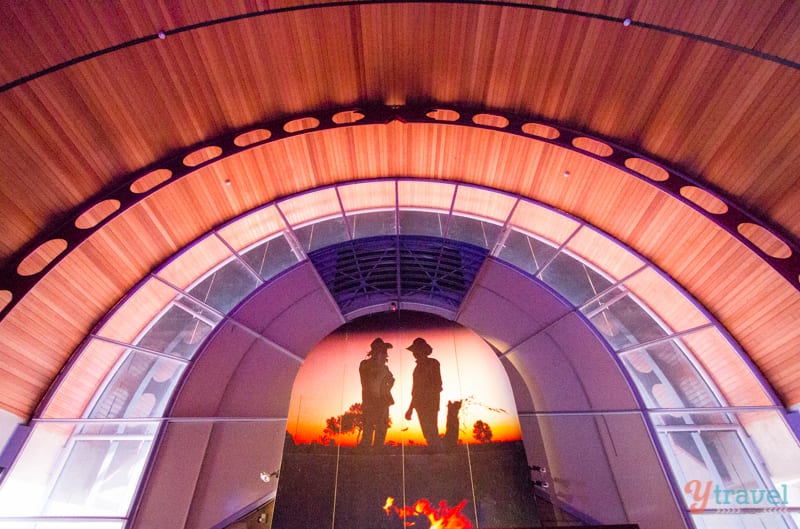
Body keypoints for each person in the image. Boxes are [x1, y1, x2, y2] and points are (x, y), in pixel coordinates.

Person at [404, 337, 442, 449]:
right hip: (420, 404)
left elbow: (437, 384)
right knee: (427, 432)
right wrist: (411, 408)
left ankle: (438, 452)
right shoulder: (416, 369)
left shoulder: (433, 363)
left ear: (423, 350)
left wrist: (428, 396)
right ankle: (435, 452)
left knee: (432, 430)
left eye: (417, 350)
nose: (415, 353)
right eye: (414, 351)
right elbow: (415, 391)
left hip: (430, 402)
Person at [359, 337, 395, 447]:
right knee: (368, 430)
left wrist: (387, 388)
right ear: (375, 352)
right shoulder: (365, 364)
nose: (385, 353)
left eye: (384, 351)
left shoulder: (385, 367)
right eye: (382, 350)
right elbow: (366, 382)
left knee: (381, 430)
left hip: (383, 402)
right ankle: (364, 456)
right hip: (370, 402)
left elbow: (391, 380)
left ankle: (378, 454)